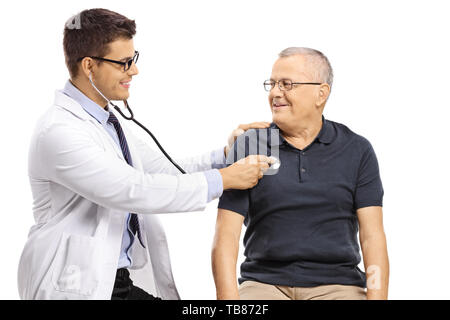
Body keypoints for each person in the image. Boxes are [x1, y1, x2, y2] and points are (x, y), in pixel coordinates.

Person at [17, 8, 274, 300]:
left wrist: (226, 154)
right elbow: (134, 189)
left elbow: (162, 171)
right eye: (124, 63)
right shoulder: (59, 131)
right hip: (72, 282)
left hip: (114, 280)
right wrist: (224, 180)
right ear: (89, 66)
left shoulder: (107, 124)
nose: (134, 71)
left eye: (133, 59)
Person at [212, 47, 389, 300]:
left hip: (338, 286)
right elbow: (225, 235)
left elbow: (372, 238)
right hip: (263, 284)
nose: (275, 93)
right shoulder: (250, 144)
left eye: (287, 84)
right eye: (271, 84)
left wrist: (377, 297)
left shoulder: (357, 150)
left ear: (321, 93)